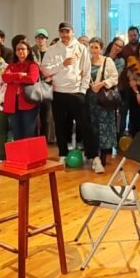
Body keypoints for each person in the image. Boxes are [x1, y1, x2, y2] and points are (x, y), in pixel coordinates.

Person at [42, 23, 101, 172]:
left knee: (85, 125)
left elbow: (86, 72)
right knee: (60, 125)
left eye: (67, 32)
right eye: (62, 32)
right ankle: (62, 154)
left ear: (73, 32)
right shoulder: (52, 49)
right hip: (58, 92)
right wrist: (62, 64)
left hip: (76, 92)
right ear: (59, 33)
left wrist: (82, 90)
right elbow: (45, 70)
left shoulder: (81, 48)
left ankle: (94, 157)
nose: (65, 35)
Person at [87, 38, 119, 169]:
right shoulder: (87, 62)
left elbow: (114, 77)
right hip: (90, 99)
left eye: (96, 47)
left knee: (105, 126)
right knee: (93, 125)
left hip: (104, 99)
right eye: (92, 47)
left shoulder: (107, 61)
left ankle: (104, 155)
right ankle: (94, 155)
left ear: (101, 49)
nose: (94, 50)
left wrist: (101, 84)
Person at [2, 40, 41, 140]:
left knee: (29, 132)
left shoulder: (33, 65)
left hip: (28, 102)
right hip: (12, 102)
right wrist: (20, 75)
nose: (20, 51)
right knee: (16, 132)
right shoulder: (12, 65)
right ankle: (19, 151)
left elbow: (32, 79)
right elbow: (5, 77)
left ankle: (29, 151)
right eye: (18, 49)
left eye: (23, 49)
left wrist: (13, 78)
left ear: (28, 51)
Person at [32, 28, 53, 142]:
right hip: (33, 87)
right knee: (33, 116)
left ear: (46, 39)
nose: (40, 40)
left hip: (47, 87)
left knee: (46, 117)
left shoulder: (51, 52)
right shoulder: (30, 52)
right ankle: (34, 141)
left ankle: (43, 141)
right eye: (38, 37)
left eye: (43, 37)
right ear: (35, 39)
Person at [105, 37, 128, 138]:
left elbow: (115, 76)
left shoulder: (120, 61)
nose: (117, 48)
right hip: (99, 91)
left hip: (112, 92)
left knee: (113, 117)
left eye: (120, 47)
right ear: (112, 44)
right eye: (116, 45)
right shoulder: (103, 56)